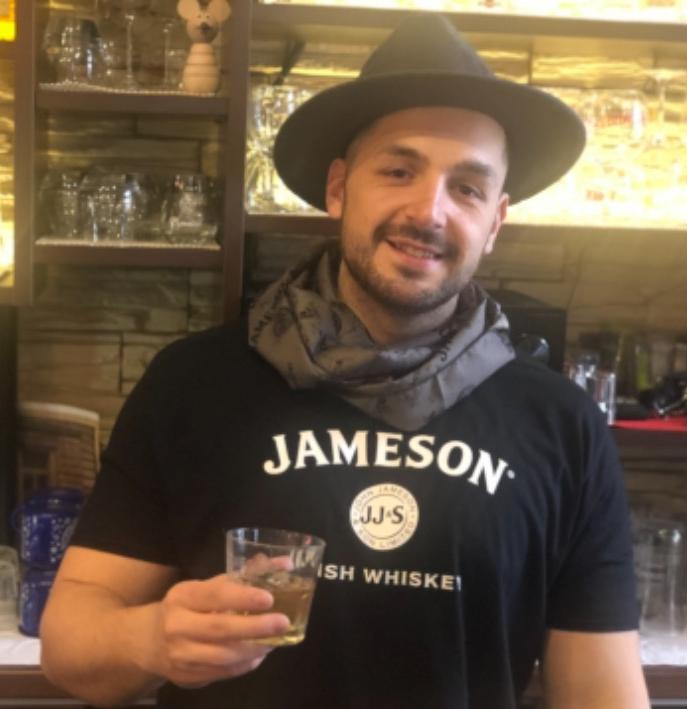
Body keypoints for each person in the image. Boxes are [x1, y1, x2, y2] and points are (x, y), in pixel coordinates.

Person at [40, 13, 649, 709]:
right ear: (338, 187)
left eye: (468, 188)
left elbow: (602, 692)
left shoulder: (561, 424)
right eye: (398, 170)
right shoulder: (195, 382)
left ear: (495, 223)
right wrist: (151, 640)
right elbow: (69, 646)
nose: (429, 211)